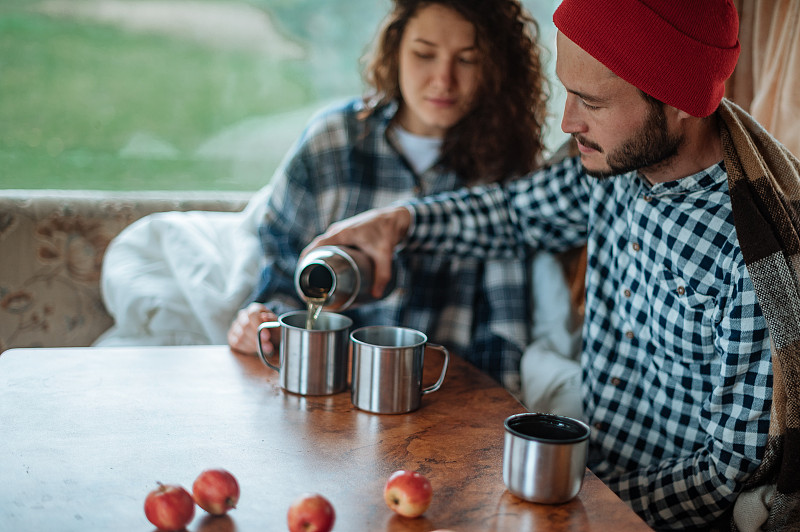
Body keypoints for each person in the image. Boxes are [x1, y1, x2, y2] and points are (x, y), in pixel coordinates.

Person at [303, 0, 800, 529]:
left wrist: (578, 509)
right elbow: (517, 213)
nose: (567, 122)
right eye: (566, 90)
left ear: (682, 100)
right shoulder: (615, 165)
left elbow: (729, 472)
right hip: (584, 478)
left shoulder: (756, 262)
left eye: (591, 101)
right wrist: (399, 222)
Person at [225, 0, 570, 398]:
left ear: (495, 68)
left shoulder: (505, 172)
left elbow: (503, 329)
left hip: (438, 398)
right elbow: (282, 273)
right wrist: (262, 326)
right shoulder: (332, 143)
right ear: (395, 51)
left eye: (468, 60)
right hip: (326, 390)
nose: (443, 80)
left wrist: (488, 422)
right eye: (424, 54)